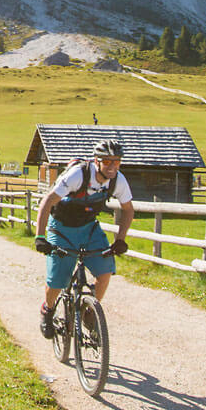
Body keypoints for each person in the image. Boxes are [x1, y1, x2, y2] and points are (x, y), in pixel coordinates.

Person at [33, 139, 134, 338]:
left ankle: (89, 313)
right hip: (61, 228)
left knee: (105, 272)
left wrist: (120, 239)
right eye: (108, 162)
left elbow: (128, 210)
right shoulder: (78, 175)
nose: (113, 166)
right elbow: (48, 201)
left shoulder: (118, 180)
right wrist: (40, 236)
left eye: (117, 161)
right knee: (57, 281)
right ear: (97, 161)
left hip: (88, 229)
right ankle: (48, 309)